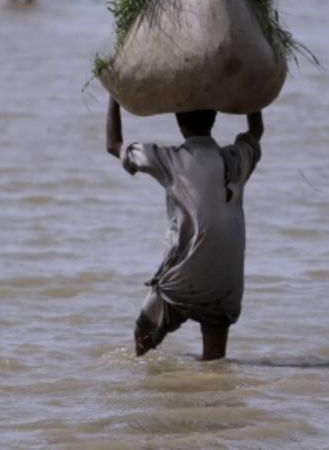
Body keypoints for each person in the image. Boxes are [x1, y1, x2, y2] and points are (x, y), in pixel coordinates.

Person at [105, 97, 264, 361]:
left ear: (178, 121)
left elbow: (113, 145)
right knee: (214, 363)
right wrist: (252, 95)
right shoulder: (236, 159)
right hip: (227, 283)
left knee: (142, 339)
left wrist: (115, 97)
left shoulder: (170, 159)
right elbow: (255, 132)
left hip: (184, 277)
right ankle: (215, 398)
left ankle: (152, 388)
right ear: (214, 119)